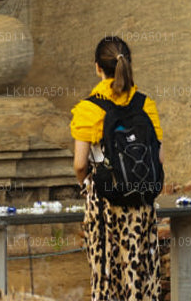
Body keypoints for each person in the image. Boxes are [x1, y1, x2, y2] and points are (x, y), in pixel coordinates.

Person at [70, 36, 164, 301]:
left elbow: (79, 164)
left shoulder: (89, 108)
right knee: (141, 275)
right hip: (141, 202)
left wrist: (85, 185)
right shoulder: (146, 105)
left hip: (104, 205)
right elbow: (160, 158)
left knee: (107, 277)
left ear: (97, 68)